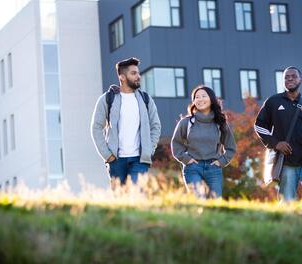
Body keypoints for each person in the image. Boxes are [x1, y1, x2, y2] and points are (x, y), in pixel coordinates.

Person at [254, 66, 302, 201]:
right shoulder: (273, 101)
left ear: (301, 80)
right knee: (287, 201)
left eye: (293, 76)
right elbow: (259, 126)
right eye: (286, 77)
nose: (289, 79)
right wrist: (276, 143)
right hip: (287, 162)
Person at [91, 57, 161, 187]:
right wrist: (107, 155)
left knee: (136, 194)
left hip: (140, 160)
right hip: (116, 160)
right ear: (122, 77)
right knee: (120, 198)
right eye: (133, 73)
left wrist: (149, 149)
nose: (138, 76)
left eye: (138, 73)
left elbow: (155, 126)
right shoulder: (107, 99)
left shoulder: (146, 99)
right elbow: (96, 127)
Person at [171, 86, 236, 198]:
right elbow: (176, 143)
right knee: (199, 200)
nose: (200, 99)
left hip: (214, 168)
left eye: (203, 96)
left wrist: (221, 162)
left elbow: (231, 147)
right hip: (192, 168)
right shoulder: (186, 122)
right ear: (194, 101)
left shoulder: (220, 123)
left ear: (211, 99)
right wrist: (186, 159)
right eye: (196, 97)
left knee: (215, 204)